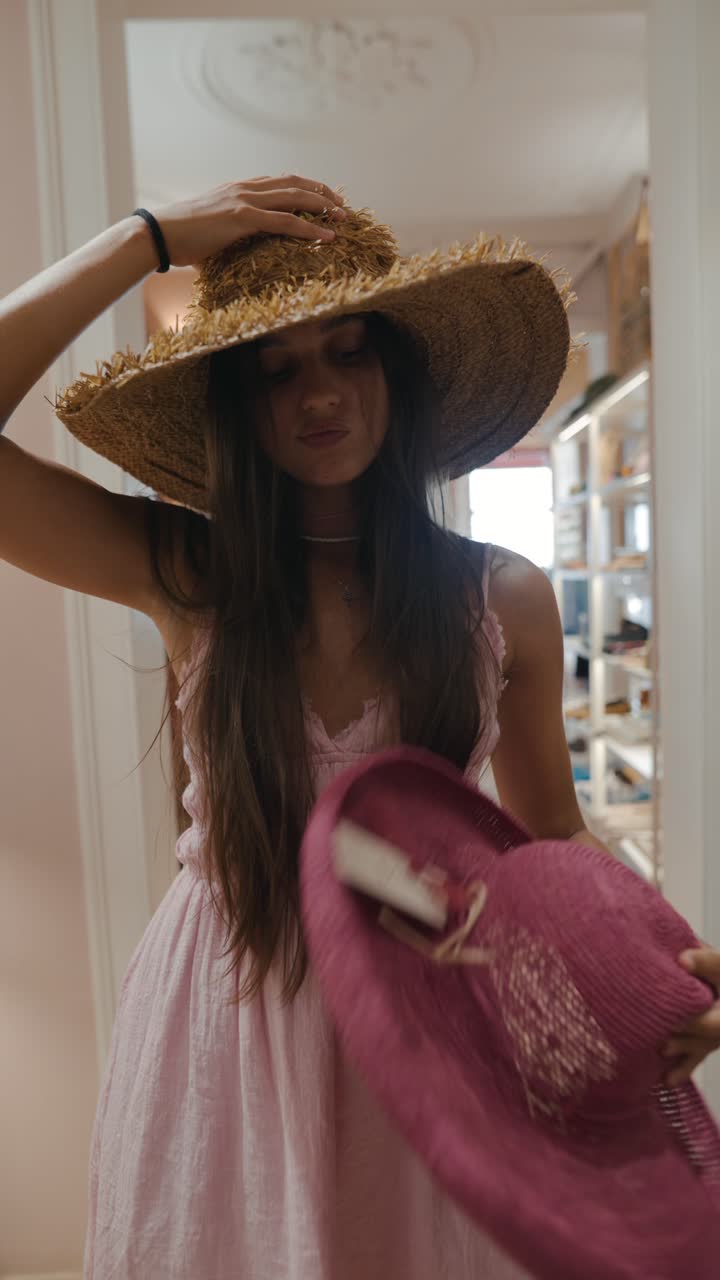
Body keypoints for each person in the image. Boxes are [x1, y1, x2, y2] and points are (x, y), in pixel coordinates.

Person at [1, 173, 719, 1278]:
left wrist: (665, 962)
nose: (321, 393)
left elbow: (551, 837)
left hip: (440, 1017)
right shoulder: (186, 570)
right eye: (277, 368)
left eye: (350, 351)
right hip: (225, 1019)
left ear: (399, 370)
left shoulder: (500, 597)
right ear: (239, 402)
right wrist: (148, 238)